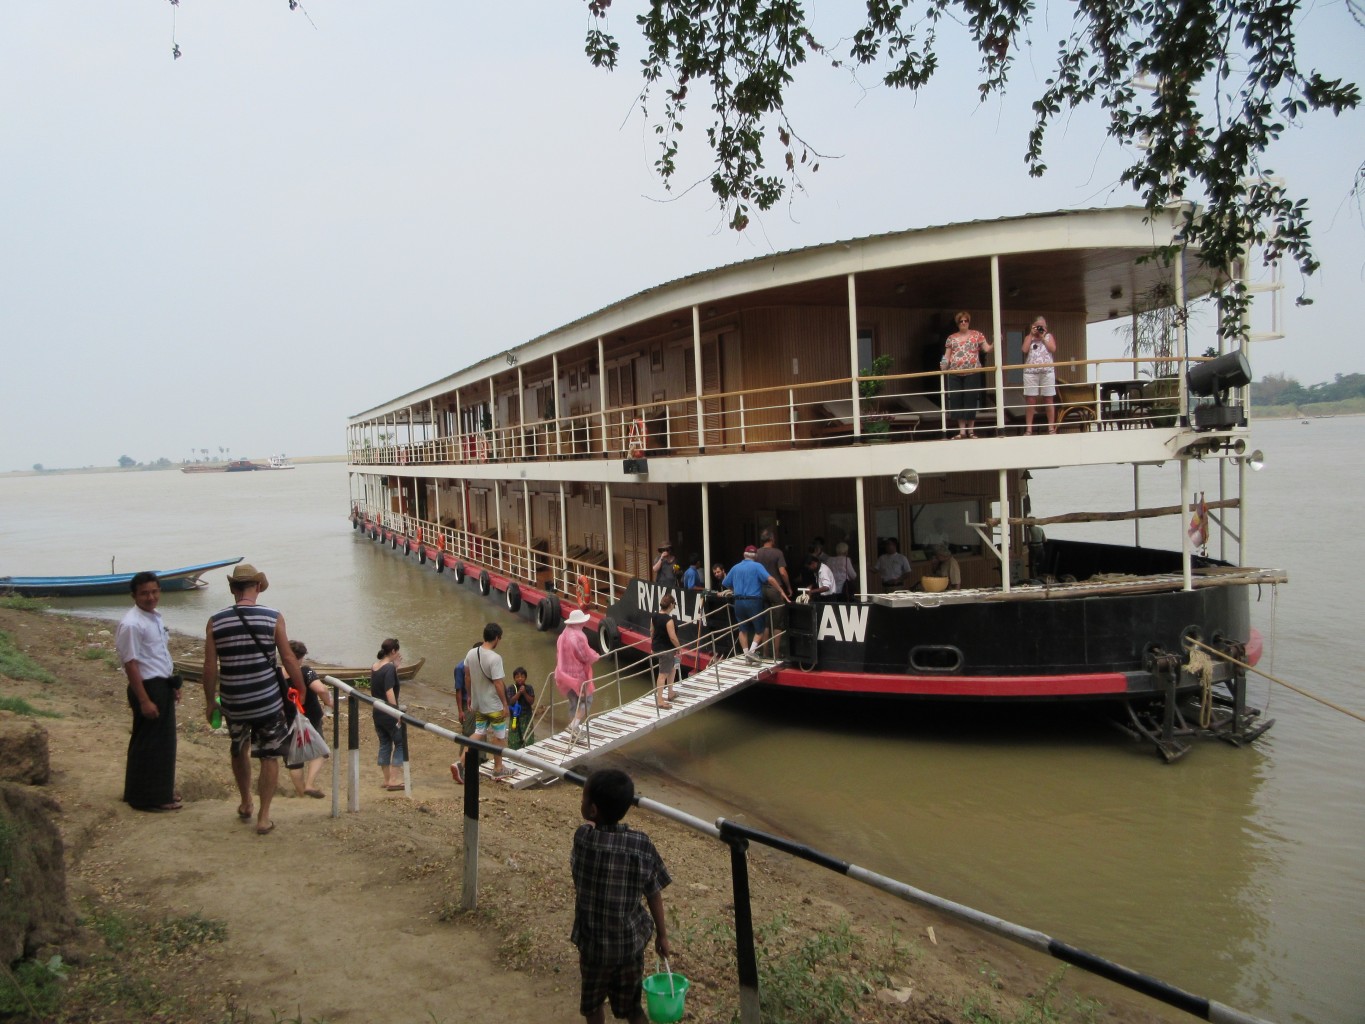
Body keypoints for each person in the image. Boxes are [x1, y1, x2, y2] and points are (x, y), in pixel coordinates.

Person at [201, 563, 305, 836]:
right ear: (258, 587)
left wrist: (210, 701)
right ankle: (263, 816)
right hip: (267, 701)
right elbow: (288, 658)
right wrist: (300, 688)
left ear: (233, 588)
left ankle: (246, 801)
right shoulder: (273, 617)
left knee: (239, 747)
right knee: (269, 755)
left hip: (234, 700)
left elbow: (210, 666)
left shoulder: (216, 621)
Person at [571, 768, 672, 1024]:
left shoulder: (583, 839)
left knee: (593, 1005)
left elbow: (592, 832)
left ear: (592, 810)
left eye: (584, 799)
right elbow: (654, 893)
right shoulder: (641, 845)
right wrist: (662, 934)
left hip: (593, 945)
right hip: (629, 945)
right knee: (633, 1008)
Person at [116, 571, 182, 812]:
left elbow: (158, 655)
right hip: (146, 687)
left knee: (163, 743)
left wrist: (171, 686)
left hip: (160, 684)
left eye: (154, 591)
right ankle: (149, 797)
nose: (150, 597)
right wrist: (144, 699)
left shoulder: (154, 618)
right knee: (150, 743)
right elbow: (130, 663)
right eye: (144, 593)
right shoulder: (132, 624)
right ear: (134, 595)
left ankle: (152, 791)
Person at [464, 623, 515, 780]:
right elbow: (498, 683)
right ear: (497, 638)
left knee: (479, 732)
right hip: (494, 705)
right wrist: (505, 705)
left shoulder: (471, 653)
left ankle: (460, 762)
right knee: (499, 735)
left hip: (479, 703)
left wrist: (470, 696)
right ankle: (498, 767)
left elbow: (467, 676)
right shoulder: (495, 658)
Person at [722, 545, 787, 661]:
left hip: (738, 601)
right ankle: (751, 653)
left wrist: (734, 589)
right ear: (756, 556)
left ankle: (746, 654)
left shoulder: (736, 567)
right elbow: (771, 579)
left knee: (742, 629)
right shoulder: (757, 566)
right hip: (753, 601)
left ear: (744, 555)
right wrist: (781, 590)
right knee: (760, 629)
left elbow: (725, 582)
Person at [287, 639, 333, 799]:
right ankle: (309, 784)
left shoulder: (277, 673)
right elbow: (321, 688)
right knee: (321, 752)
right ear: (301, 657)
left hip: (287, 720)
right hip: (309, 718)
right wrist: (328, 703)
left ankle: (301, 795)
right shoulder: (305, 671)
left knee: (294, 760)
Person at [942, 310, 993, 439]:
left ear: (969, 322)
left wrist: (996, 341)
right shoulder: (951, 338)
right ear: (957, 323)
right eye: (961, 321)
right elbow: (947, 355)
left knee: (970, 399)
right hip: (955, 373)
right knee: (956, 400)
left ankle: (971, 430)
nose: (964, 323)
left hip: (973, 372)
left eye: (966, 321)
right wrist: (943, 365)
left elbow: (987, 349)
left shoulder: (977, 335)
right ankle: (962, 431)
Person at [555, 608, 602, 744]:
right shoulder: (578, 636)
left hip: (563, 675)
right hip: (578, 676)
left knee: (573, 703)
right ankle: (573, 726)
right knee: (586, 701)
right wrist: (596, 656)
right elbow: (584, 655)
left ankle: (574, 731)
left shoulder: (562, 635)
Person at [370, 638, 405, 791]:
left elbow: (383, 681)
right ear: (393, 651)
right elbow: (389, 691)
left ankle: (386, 779)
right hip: (388, 712)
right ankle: (393, 779)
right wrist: (396, 712)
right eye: (398, 651)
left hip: (377, 711)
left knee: (385, 743)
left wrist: (395, 667)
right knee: (400, 743)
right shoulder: (388, 668)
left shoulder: (375, 666)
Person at [1022, 316, 1058, 434]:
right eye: (1037, 326)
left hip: (1047, 372)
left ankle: (1051, 427)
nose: (1039, 329)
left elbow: (1053, 349)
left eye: (1041, 327)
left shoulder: (1048, 337)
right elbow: (1024, 349)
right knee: (1031, 400)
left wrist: (1043, 338)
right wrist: (1031, 335)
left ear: (1046, 327)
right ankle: (1029, 429)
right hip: (1031, 373)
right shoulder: (1029, 337)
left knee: (1048, 398)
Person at [651, 594, 682, 708]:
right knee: (662, 674)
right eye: (674, 604)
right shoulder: (669, 620)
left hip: (657, 648)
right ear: (670, 605)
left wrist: (653, 645)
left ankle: (670, 693)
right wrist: (679, 648)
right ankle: (660, 700)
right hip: (666, 650)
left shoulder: (654, 616)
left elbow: (652, 631)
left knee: (673, 667)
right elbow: (672, 637)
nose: (674, 606)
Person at [508, 666, 537, 750]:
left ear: (525, 678)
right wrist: (519, 693)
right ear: (514, 678)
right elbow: (510, 701)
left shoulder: (529, 688)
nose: (520, 679)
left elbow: (531, 701)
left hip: (526, 717)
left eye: (522, 676)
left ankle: (528, 754)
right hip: (514, 718)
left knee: (528, 739)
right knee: (514, 740)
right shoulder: (511, 688)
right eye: (517, 677)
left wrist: (524, 693)